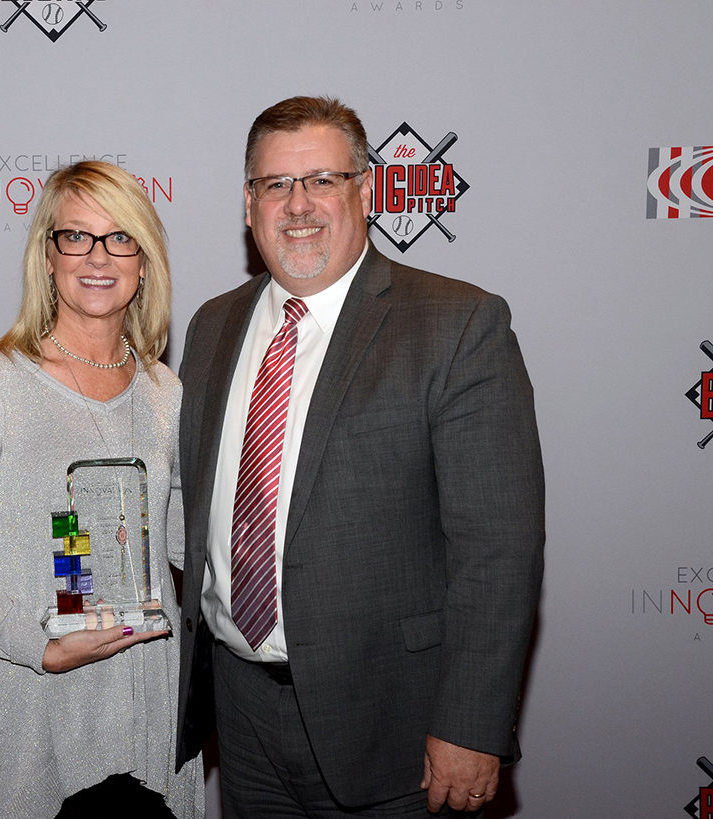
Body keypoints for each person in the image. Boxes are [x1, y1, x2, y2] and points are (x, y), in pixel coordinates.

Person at [174, 96, 545, 817]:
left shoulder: (456, 323)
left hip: (392, 725)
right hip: (240, 713)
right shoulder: (213, 324)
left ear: (366, 191)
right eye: (275, 184)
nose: (298, 205)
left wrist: (471, 724)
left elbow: (498, 549)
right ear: (248, 204)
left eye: (323, 180)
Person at [0, 161, 204, 818]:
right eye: (76, 237)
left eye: (119, 237)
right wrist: (38, 645)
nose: (98, 257)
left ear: (144, 258)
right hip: (23, 697)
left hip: (139, 696)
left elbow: (187, 543)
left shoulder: (167, 394)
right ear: (48, 255)